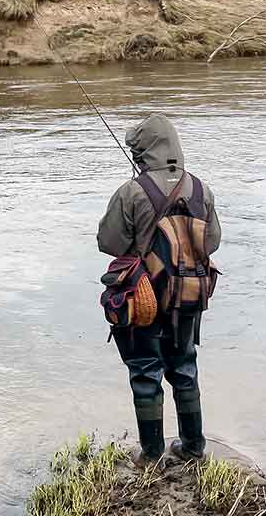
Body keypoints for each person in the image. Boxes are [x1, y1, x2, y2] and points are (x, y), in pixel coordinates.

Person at [97, 114, 221, 466]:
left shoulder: (132, 191)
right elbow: (211, 242)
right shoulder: (201, 188)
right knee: (185, 368)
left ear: (143, 152)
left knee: (145, 371)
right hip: (190, 297)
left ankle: (151, 455)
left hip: (143, 299)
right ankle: (194, 448)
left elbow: (109, 243)